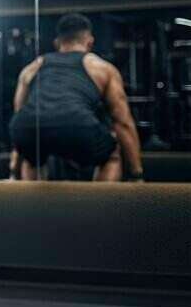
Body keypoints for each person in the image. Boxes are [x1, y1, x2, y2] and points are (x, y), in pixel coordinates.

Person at [8, 13, 143, 181]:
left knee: (31, 157)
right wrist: (137, 174)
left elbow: (20, 115)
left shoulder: (32, 67)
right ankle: (100, 207)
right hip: (78, 125)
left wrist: (14, 170)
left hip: (27, 127)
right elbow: (122, 122)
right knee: (112, 155)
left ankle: (31, 205)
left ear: (57, 43)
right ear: (90, 42)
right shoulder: (102, 68)